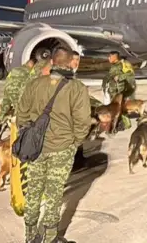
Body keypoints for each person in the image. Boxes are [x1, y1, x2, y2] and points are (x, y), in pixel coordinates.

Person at [16, 47, 91, 243]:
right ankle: (50, 238)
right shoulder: (77, 88)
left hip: (36, 148)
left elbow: (21, 115)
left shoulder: (34, 84)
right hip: (62, 148)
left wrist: (29, 135)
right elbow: (83, 123)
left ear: (52, 62)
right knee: (54, 193)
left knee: (33, 190)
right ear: (68, 63)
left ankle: (30, 236)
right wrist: (75, 143)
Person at [0, 58, 40, 130]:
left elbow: (8, 79)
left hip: (8, 89)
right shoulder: (30, 72)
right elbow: (28, 83)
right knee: (18, 110)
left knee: (5, 105)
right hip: (17, 93)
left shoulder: (14, 69)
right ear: (33, 65)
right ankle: (16, 127)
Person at [102, 51, 136, 130]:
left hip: (118, 91)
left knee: (119, 110)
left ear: (115, 57)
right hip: (114, 91)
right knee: (117, 110)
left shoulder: (122, 65)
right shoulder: (114, 66)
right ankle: (119, 125)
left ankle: (124, 124)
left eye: (110, 56)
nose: (108, 58)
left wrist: (120, 77)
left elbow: (131, 74)